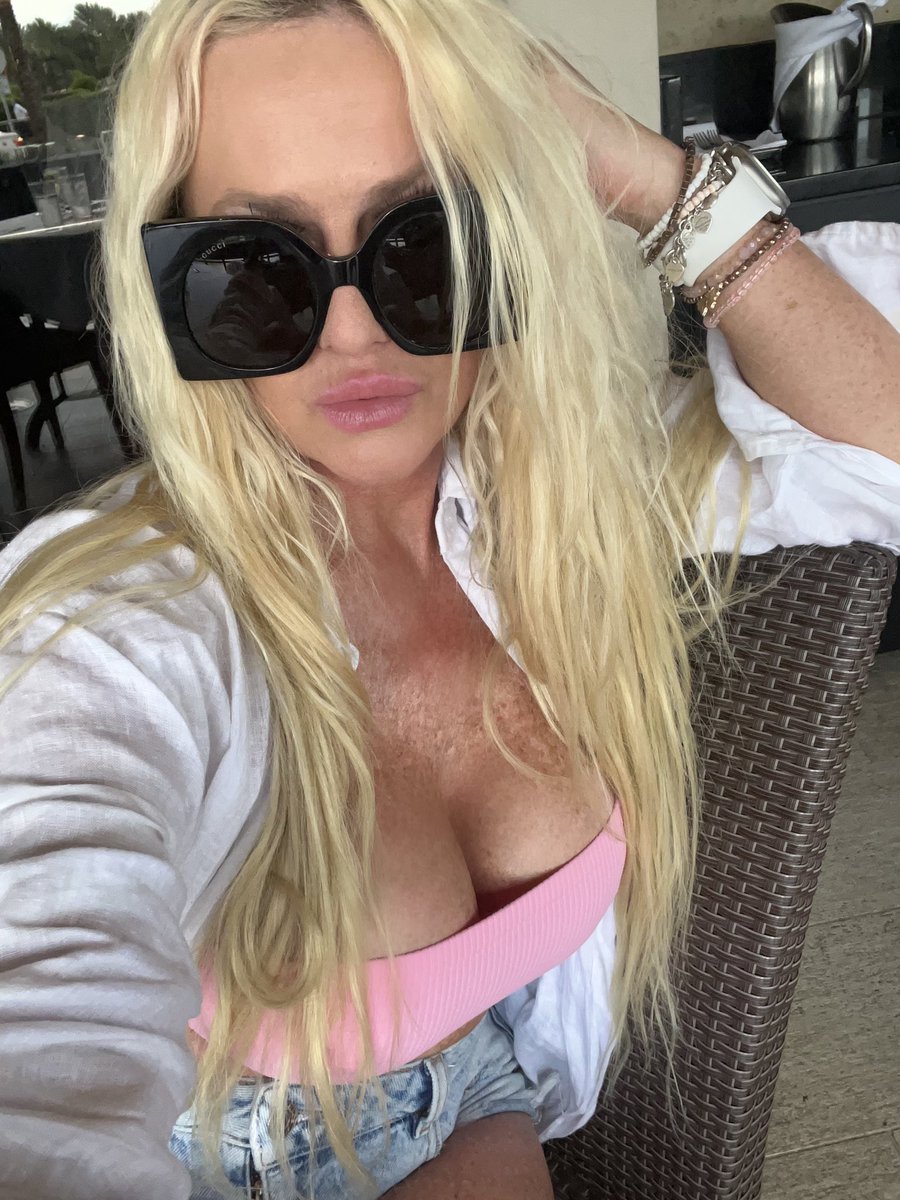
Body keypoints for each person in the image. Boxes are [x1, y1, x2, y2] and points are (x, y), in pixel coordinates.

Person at [0, 1, 897, 1198]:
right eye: (253, 269)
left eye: (427, 243)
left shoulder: (564, 502)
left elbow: (879, 442)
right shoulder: (117, 631)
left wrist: (647, 175)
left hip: (482, 1088)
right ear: (170, 291)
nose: (355, 334)